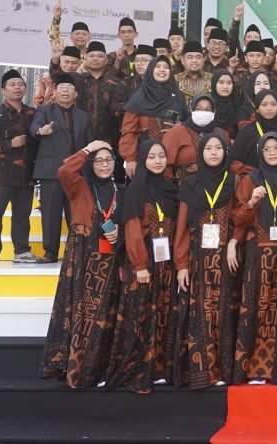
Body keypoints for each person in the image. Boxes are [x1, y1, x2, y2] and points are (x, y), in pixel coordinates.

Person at [40, 140, 123, 388]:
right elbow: (64, 170)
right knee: (81, 312)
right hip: (83, 257)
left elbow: (128, 220)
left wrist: (119, 231)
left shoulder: (121, 190)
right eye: (99, 160)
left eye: (109, 160)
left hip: (109, 261)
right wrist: (87, 149)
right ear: (91, 163)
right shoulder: (80, 186)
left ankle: (98, 369)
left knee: (103, 316)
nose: (105, 165)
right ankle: (77, 368)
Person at [104, 139, 181, 392]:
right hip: (144, 260)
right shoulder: (136, 188)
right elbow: (132, 229)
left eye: (161, 156)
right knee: (141, 315)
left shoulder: (171, 188)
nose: (157, 161)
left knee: (163, 314)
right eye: (151, 157)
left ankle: (158, 368)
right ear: (143, 160)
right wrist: (139, 265)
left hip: (165, 261)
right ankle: (137, 369)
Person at [232, 132, 277, 385]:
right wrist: (251, 202)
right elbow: (237, 219)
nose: (272, 152)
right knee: (258, 306)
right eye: (267, 149)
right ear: (260, 153)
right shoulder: (250, 179)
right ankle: (256, 368)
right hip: (258, 255)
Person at [174, 133, 243, 389]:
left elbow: (241, 218)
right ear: (201, 153)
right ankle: (203, 371)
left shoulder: (234, 181)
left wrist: (234, 241)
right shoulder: (190, 183)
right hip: (199, 259)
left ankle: (223, 370)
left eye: (218, 148)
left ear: (225, 152)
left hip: (227, 259)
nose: (213, 153)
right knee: (201, 312)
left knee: (224, 311)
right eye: (208, 149)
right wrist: (181, 264)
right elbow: (182, 227)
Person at [0, 69, 37, 265]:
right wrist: (10, 144)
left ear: (25, 88)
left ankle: (22, 251)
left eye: (20, 84)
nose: (17, 88)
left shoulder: (32, 113)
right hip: (0, 174)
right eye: (12, 85)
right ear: (3, 90)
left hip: (25, 173)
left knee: (22, 214)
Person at [31, 73, 91, 263]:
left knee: (76, 214)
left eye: (70, 88)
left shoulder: (84, 116)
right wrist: (41, 131)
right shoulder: (44, 111)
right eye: (62, 88)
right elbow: (34, 127)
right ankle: (50, 253)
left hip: (76, 172)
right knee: (50, 213)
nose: (65, 91)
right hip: (51, 170)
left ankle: (76, 252)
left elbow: (89, 143)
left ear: (76, 94)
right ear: (55, 92)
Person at [119, 57, 187, 178]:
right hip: (145, 158)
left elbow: (187, 125)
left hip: (172, 159)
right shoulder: (139, 98)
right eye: (158, 67)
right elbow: (129, 131)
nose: (162, 70)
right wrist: (130, 159)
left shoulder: (178, 96)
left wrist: (180, 127)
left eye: (166, 67)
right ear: (150, 70)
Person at [230, 90, 277, 174]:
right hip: (254, 178)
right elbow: (234, 161)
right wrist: (254, 174)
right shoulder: (247, 131)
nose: (269, 108)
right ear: (257, 109)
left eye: (273, 104)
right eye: (264, 105)